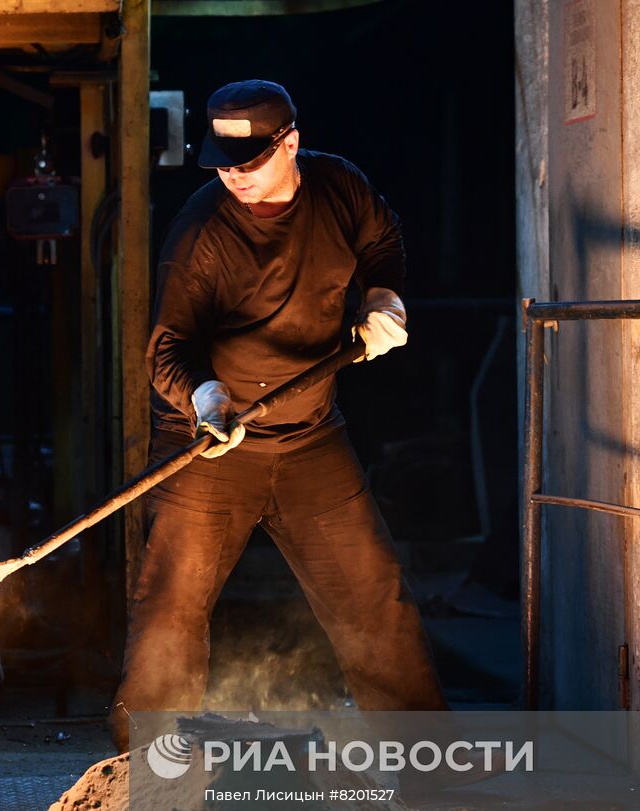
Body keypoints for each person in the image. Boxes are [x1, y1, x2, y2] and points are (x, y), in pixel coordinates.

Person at [110, 80, 449, 753]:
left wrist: (384, 300)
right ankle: (140, 772)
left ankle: (429, 769)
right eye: (223, 161)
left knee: (372, 598)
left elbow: (382, 241)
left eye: (250, 160)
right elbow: (167, 348)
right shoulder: (203, 231)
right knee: (169, 610)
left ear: (291, 141)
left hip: (309, 439)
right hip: (209, 444)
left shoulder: (340, 189)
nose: (233, 174)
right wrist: (208, 401)